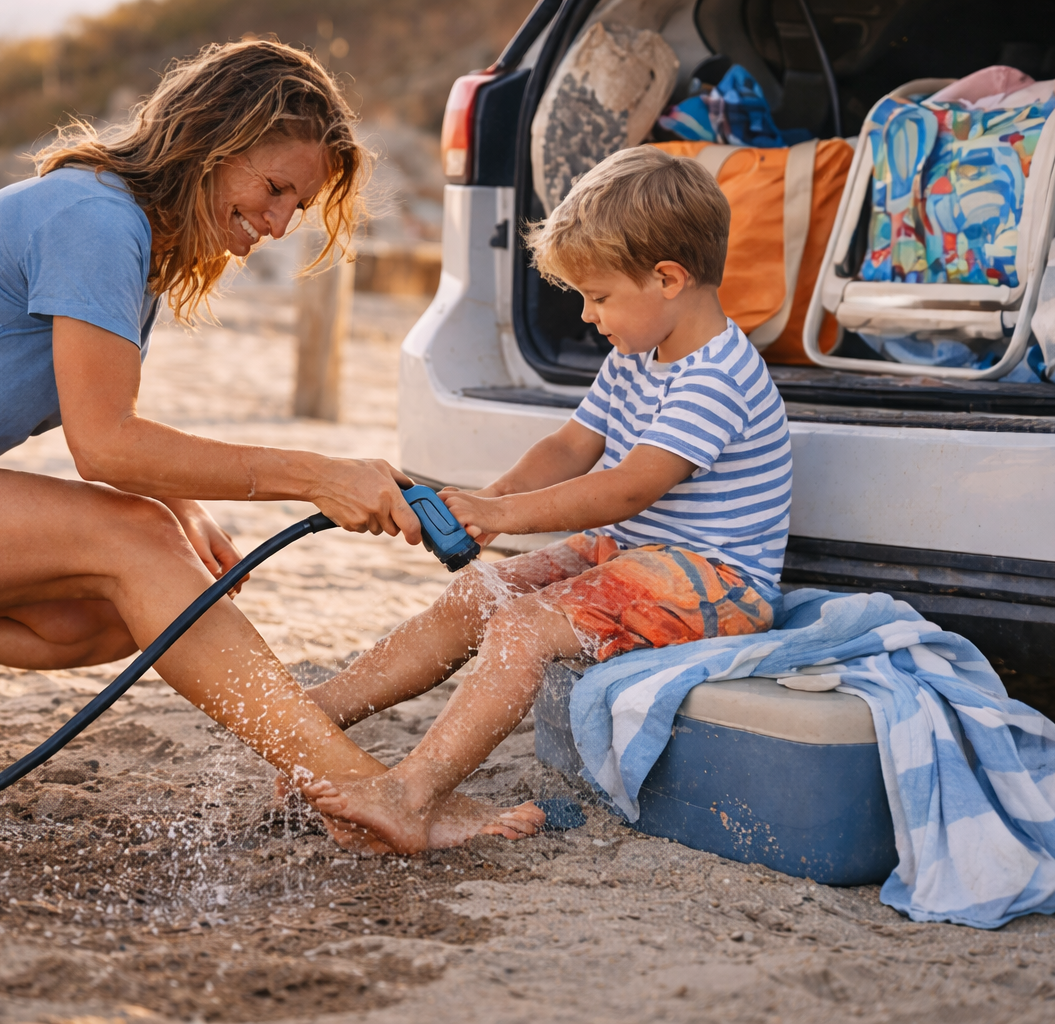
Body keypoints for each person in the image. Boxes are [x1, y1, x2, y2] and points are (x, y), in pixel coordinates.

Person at [0, 40, 543, 848]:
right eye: (272, 189)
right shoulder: (95, 219)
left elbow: (104, 418)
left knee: (128, 612)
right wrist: (315, 475)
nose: (275, 224)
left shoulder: (128, 234)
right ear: (210, 142)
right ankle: (364, 787)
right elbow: (106, 446)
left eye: (294, 207)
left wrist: (185, 513)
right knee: (139, 542)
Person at [300, 145, 792, 853]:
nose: (590, 317)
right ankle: (316, 714)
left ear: (668, 279)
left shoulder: (718, 377)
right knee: (476, 596)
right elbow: (570, 447)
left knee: (523, 629)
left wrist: (504, 515)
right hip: (635, 553)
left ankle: (410, 796)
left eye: (598, 296)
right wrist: (490, 499)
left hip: (714, 580)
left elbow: (630, 486)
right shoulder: (636, 354)